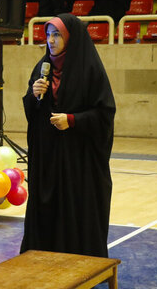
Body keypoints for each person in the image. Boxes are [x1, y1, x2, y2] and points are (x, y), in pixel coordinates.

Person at [21, 14, 116, 258]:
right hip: (49, 158)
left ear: (70, 38)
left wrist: (72, 120)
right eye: (48, 35)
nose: (51, 41)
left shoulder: (89, 69)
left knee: (77, 210)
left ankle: (79, 264)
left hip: (78, 161)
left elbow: (104, 113)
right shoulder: (42, 67)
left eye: (57, 35)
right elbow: (33, 112)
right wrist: (33, 95)